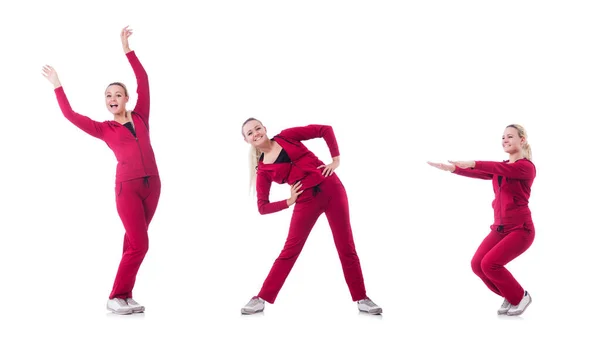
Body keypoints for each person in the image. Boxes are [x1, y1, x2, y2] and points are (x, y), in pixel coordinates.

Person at [41, 26, 161, 315]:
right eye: (108, 95)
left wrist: (127, 50)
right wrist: (58, 84)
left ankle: (126, 295)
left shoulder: (141, 115)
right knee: (140, 244)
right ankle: (115, 295)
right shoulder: (104, 129)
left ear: (126, 99)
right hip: (127, 189)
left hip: (153, 185)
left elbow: (143, 79)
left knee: (133, 242)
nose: (112, 98)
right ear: (106, 102)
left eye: (117, 94)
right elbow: (70, 115)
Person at [239, 118, 382, 315]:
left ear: (265, 128)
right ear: (247, 140)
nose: (256, 133)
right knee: (290, 250)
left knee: (346, 245)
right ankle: (261, 298)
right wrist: (288, 201)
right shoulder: (263, 170)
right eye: (250, 133)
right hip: (306, 201)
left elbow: (325, 129)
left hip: (332, 189)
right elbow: (262, 207)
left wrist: (336, 160)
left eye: (257, 128)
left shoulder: (287, 136)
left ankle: (362, 299)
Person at [427, 124, 535, 316]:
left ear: (522, 140)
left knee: (490, 264)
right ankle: (511, 296)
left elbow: (495, 167)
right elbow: (484, 172)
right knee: (477, 265)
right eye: (503, 137)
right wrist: (453, 169)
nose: (505, 140)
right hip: (500, 228)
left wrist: (474, 162)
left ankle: (520, 296)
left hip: (521, 229)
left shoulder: (526, 167)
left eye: (510, 137)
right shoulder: (503, 167)